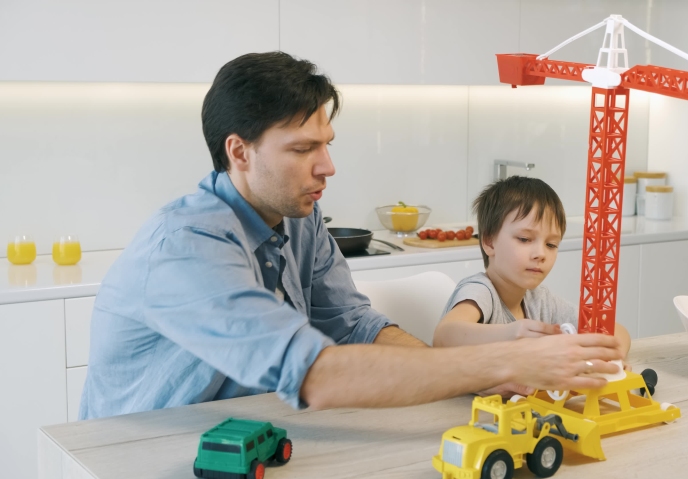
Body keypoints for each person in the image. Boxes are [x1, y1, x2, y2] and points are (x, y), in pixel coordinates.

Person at [79, 52, 624, 420]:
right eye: (302, 150)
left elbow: (356, 325)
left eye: (326, 143)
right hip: (137, 454)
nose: (328, 167)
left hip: (255, 430)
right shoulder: (187, 246)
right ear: (238, 152)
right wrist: (500, 363)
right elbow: (313, 373)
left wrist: (472, 378)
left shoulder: (300, 218)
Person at [432, 176, 631, 373]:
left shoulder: (540, 300)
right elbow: (444, 336)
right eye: (525, 239)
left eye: (551, 244)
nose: (541, 254)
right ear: (490, 242)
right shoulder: (480, 291)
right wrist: (510, 334)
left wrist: (610, 358)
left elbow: (615, 331)